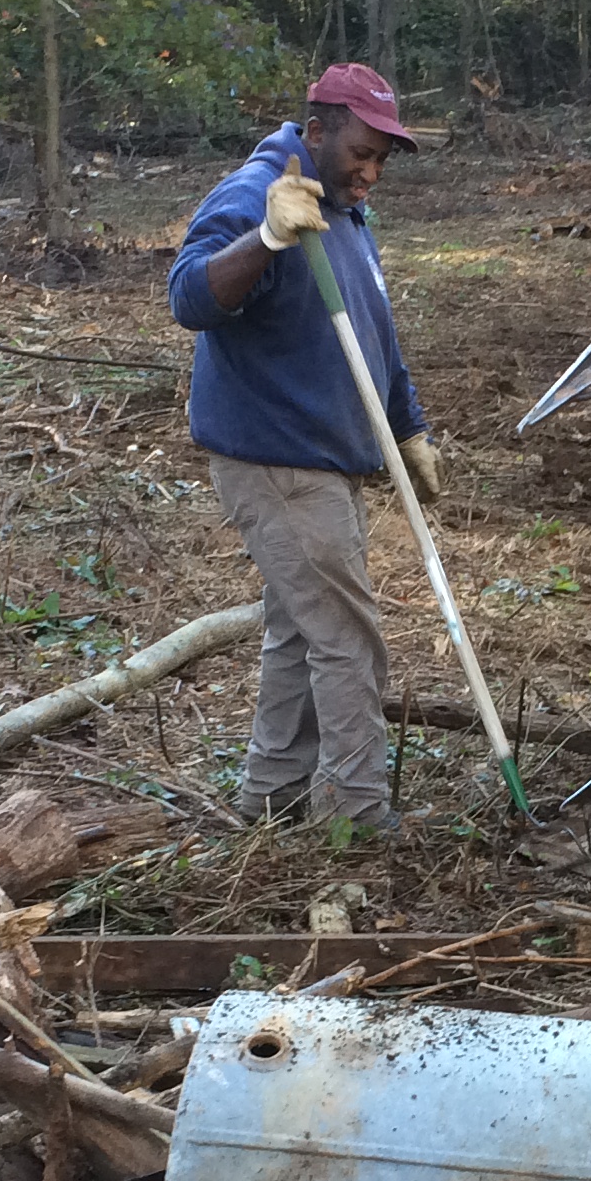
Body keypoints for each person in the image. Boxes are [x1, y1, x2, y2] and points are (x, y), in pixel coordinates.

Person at [168, 64, 444, 831]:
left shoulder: (347, 209)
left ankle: (273, 794)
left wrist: (407, 425)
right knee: (347, 638)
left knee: (301, 627)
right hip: (276, 457)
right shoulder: (260, 193)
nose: (372, 170)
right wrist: (267, 235)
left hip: (326, 457)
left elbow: (372, 331)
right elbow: (189, 297)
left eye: (384, 158)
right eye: (363, 150)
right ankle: (354, 812)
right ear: (317, 131)